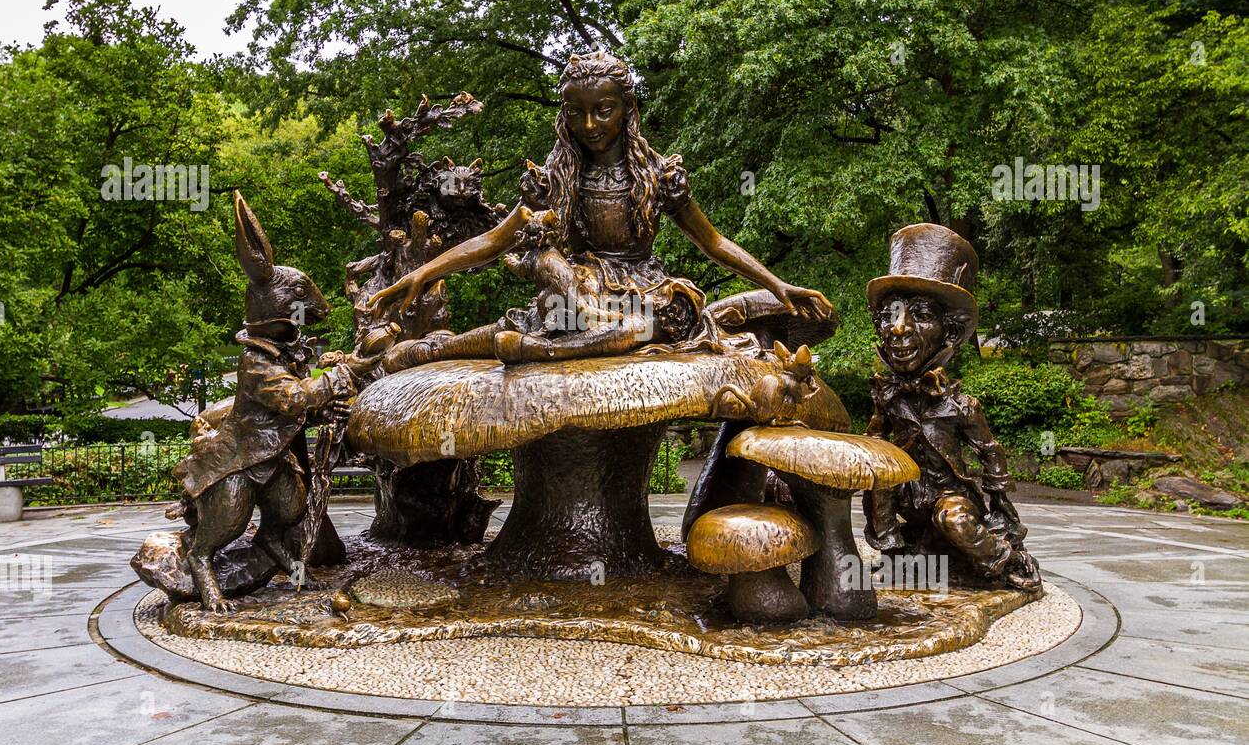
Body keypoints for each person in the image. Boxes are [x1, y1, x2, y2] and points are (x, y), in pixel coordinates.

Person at [369, 50, 833, 369]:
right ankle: (431, 352)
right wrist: (424, 273)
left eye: (603, 110)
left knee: (650, 321)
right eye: (576, 113)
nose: (589, 125)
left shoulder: (657, 175)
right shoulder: (557, 174)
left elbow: (712, 242)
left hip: (644, 288)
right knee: (560, 304)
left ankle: (538, 352)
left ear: (627, 109)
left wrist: (777, 283)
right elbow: (496, 240)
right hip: (584, 288)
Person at [862, 223, 1041, 591]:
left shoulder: (961, 406)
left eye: (921, 314)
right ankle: (899, 558)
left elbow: (990, 453)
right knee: (878, 481)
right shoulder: (887, 396)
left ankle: (1006, 562)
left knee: (955, 520)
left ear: (951, 332)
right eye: (889, 315)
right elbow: (873, 443)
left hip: (949, 496)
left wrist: (1001, 511)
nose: (899, 329)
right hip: (907, 494)